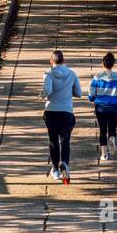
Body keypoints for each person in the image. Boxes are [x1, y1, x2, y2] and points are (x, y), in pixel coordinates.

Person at [42, 50, 81, 182]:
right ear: (63, 61)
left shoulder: (48, 74)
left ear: (51, 61)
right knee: (65, 140)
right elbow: (79, 93)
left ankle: (55, 169)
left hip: (51, 111)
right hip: (66, 112)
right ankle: (64, 163)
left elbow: (47, 90)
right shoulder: (71, 73)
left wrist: (42, 95)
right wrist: (68, 91)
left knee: (53, 141)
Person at [87, 52, 117, 163]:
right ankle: (112, 138)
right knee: (112, 128)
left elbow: (91, 92)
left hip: (101, 107)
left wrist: (91, 99)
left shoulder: (97, 77)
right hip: (114, 106)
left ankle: (104, 154)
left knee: (102, 130)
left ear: (102, 64)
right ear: (113, 64)